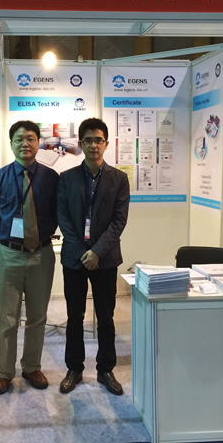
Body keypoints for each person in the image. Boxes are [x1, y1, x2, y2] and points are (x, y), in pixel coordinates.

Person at [0, 120, 59, 395]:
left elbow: (58, 212)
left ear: (38, 143)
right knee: (7, 318)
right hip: (9, 255)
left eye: (30, 138)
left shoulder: (51, 178)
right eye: (19, 139)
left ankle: (31, 367)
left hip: (42, 254)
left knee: (38, 317)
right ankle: (4, 371)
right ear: (11, 143)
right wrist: (9, 237)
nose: (25, 144)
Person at [57, 117, 130, 395]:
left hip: (105, 259)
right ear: (80, 144)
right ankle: (74, 368)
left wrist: (97, 252)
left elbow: (119, 221)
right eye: (87, 140)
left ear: (106, 143)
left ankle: (105, 369)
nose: (93, 145)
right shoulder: (67, 178)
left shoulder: (119, 179)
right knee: (75, 316)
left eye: (98, 140)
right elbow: (63, 218)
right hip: (74, 259)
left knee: (106, 316)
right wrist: (82, 253)